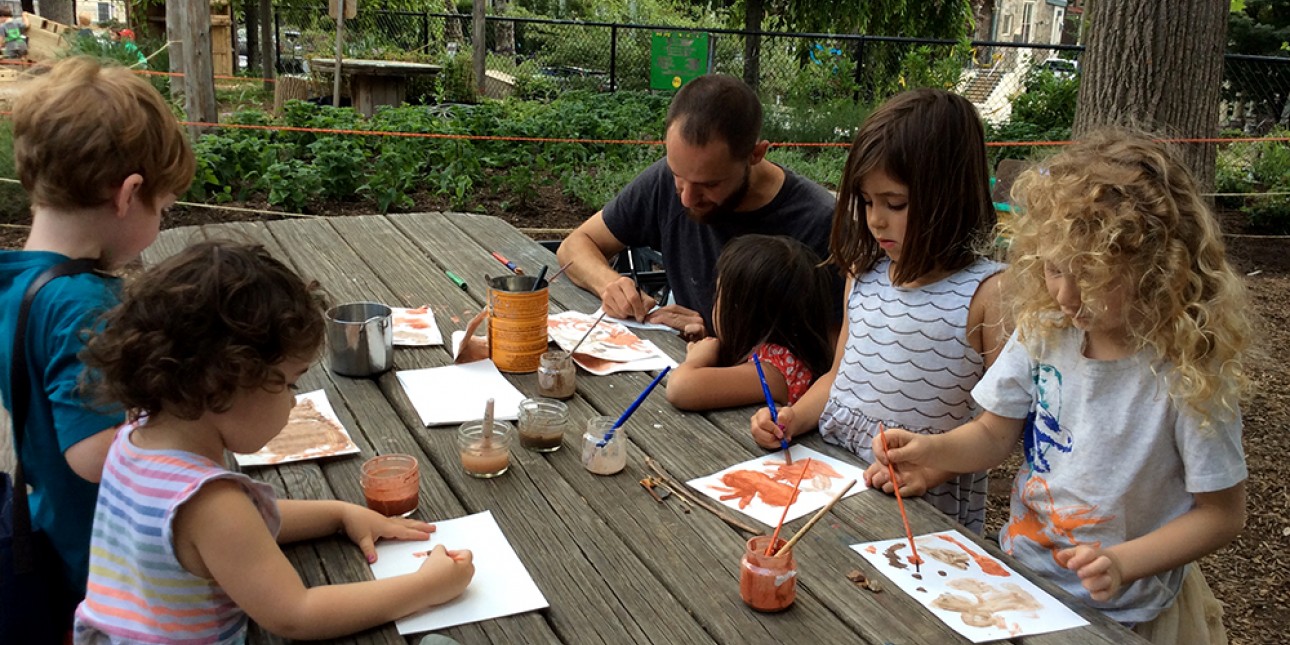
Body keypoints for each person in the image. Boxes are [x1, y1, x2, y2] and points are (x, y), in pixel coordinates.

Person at [872, 130, 1250, 643]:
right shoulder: (1046, 330)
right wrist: (930, 448)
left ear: (1158, 270)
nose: (1066, 295)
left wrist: (1122, 562)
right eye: (1053, 269)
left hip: (1124, 609)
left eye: (1092, 277)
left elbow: (1221, 516)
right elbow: (993, 434)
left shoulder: (1188, 369)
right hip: (1022, 579)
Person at [74, 241, 476, 642]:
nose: (294, 399)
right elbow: (296, 615)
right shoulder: (209, 503)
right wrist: (428, 586)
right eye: (288, 383)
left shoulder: (133, 439)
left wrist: (338, 514)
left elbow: (237, 531)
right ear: (224, 381)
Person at [749, 88, 1008, 534]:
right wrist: (793, 416)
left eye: (895, 203)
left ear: (950, 194)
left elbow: (999, 428)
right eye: (867, 202)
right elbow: (838, 376)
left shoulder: (989, 294)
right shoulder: (865, 271)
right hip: (829, 476)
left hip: (915, 505)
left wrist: (935, 464)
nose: (876, 220)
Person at [0, 56, 193, 625]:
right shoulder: (83, 304)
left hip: (54, 521)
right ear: (128, 194)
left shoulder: (16, 278)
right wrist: (192, 418)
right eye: (163, 208)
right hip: (111, 556)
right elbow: (91, 454)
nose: (160, 221)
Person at [555, 74, 838, 338]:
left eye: (710, 184)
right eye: (678, 175)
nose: (686, 198)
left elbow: (833, 360)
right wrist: (609, 284)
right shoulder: (664, 181)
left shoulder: (820, 223)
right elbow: (575, 245)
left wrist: (715, 345)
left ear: (756, 154)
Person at [665, 234, 834, 411]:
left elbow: (681, 388)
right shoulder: (785, 357)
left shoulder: (773, 370)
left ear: (740, 314)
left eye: (718, 296)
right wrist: (710, 348)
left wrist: (696, 360)